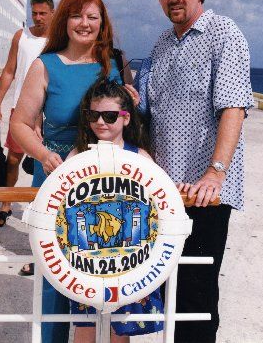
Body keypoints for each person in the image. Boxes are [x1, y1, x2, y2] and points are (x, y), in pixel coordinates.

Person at [134, 0, 254, 342]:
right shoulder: (161, 43)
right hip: (165, 194)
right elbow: (148, 114)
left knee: (197, 295)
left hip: (206, 195)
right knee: (166, 291)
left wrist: (215, 173)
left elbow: (234, 106)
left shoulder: (225, 33)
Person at [11, 0, 133, 343]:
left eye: (92, 17)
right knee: (55, 274)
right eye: (77, 15)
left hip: (104, 184)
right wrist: (44, 154)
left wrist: (131, 103)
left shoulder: (113, 65)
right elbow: (19, 123)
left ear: (102, 23)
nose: (84, 23)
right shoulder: (44, 65)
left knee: (103, 272)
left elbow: (124, 118)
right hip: (53, 177)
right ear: (64, 20)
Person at [67, 79, 163, 343]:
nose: (101, 122)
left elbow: (158, 205)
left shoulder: (140, 157)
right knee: (85, 323)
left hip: (128, 259)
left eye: (109, 116)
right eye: (93, 115)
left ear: (126, 118)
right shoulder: (77, 156)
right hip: (87, 259)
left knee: (121, 327)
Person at [0, 0, 54, 227]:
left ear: (53, 13)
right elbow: (9, 70)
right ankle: (6, 205)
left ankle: (42, 208)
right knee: (13, 159)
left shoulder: (58, 39)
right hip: (22, 110)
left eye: (42, 13)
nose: (37, 18)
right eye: (34, 13)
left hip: (49, 112)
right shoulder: (22, 36)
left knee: (46, 163)